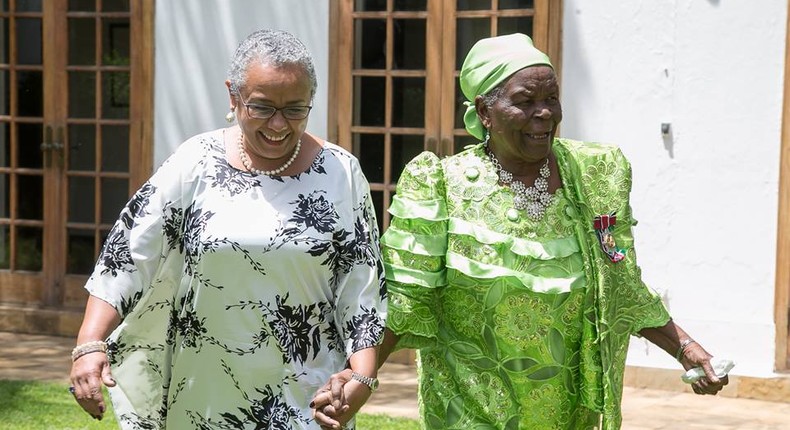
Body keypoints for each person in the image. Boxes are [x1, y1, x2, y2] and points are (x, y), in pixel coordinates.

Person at [311, 33, 728, 430]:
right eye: (525, 101)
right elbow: (407, 304)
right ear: (485, 112)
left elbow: (619, 287)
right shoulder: (441, 186)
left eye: (551, 98)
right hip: (472, 407)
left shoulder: (594, 175)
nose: (544, 113)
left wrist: (686, 349)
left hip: (570, 411)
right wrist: (359, 376)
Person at [68, 29, 386, 429]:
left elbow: (362, 285)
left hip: (309, 394)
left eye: (294, 110)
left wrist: (361, 376)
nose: (278, 124)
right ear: (233, 96)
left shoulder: (341, 173)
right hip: (204, 392)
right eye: (262, 106)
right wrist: (89, 343)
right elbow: (130, 253)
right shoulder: (195, 163)